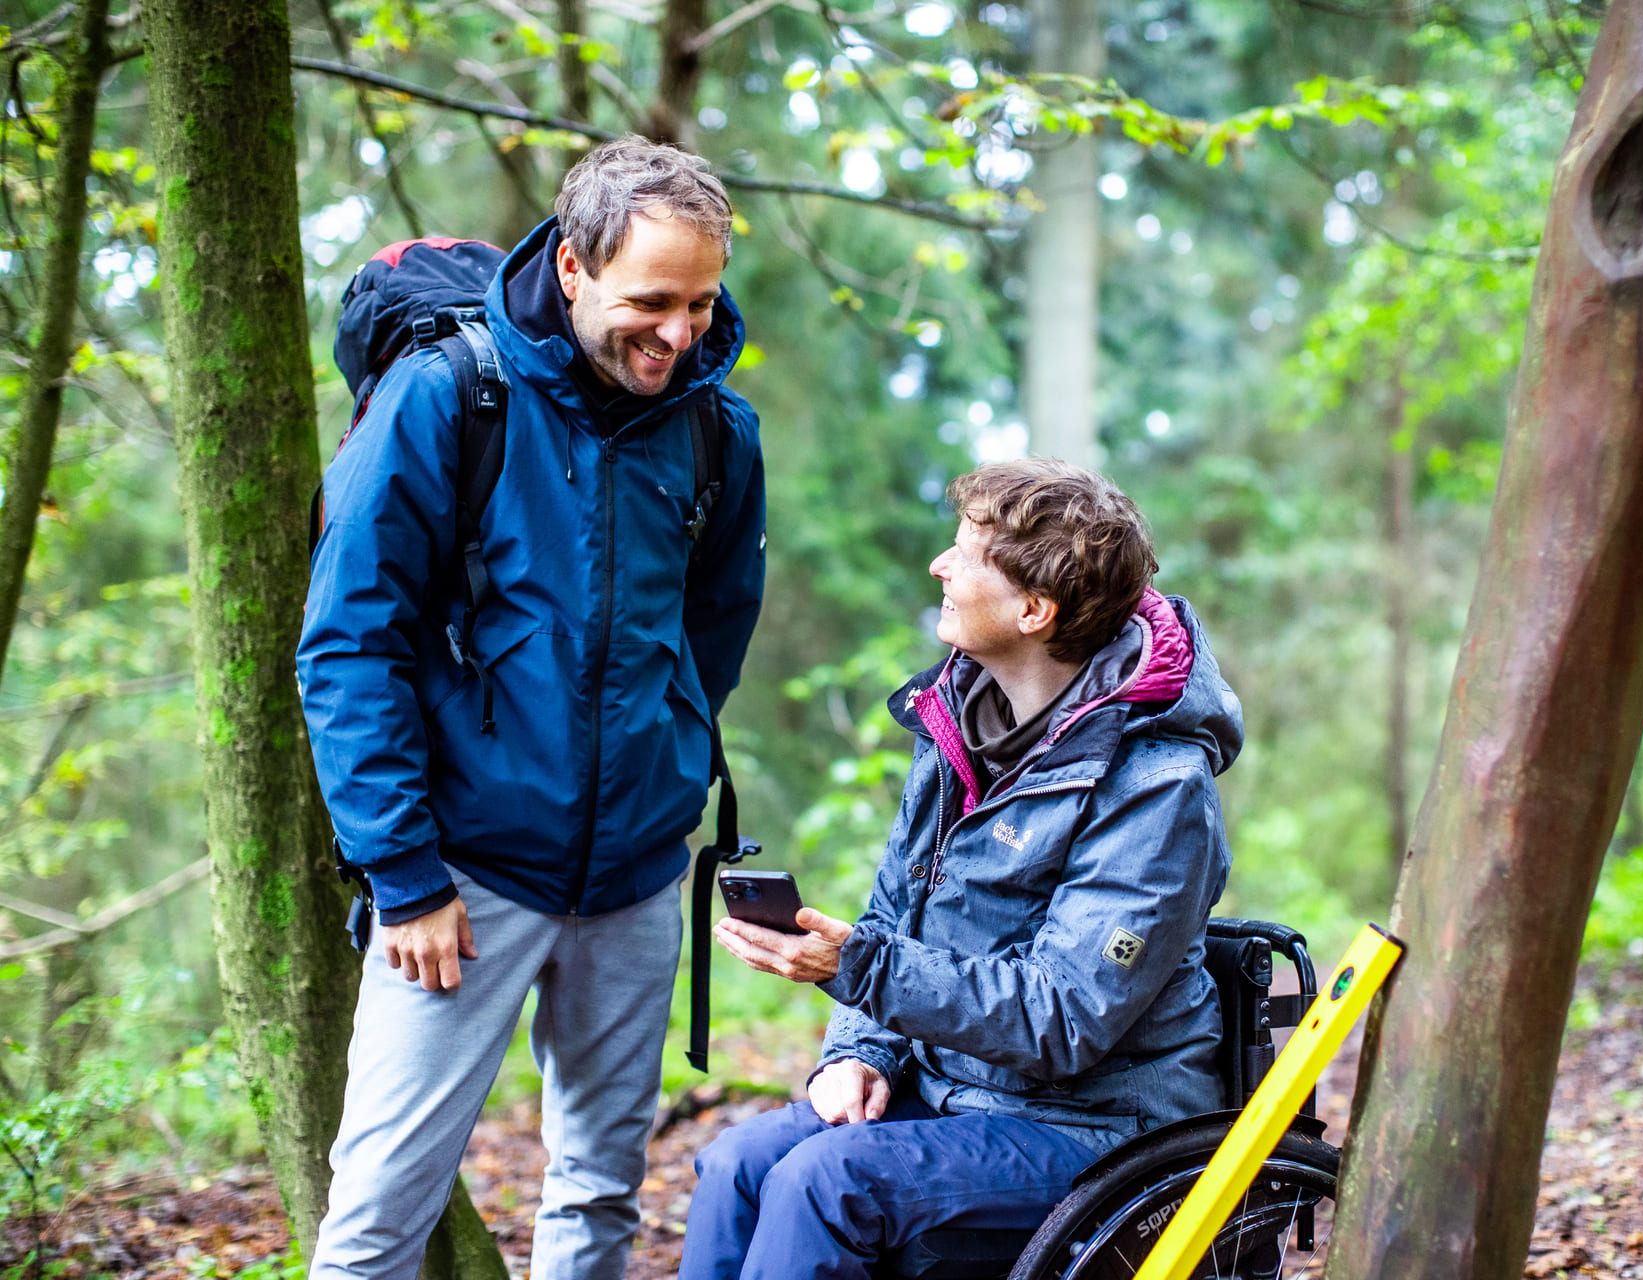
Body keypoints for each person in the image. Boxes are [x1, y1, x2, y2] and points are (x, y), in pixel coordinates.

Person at [297, 137, 765, 1280]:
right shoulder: (450, 396)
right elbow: (350, 645)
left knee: (600, 1196)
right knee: (376, 1217)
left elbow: (711, 634)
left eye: (702, 301)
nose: (680, 332)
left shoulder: (716, 430)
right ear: (572, 267)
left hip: (638, 879)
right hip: (458, 881)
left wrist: (667, 777)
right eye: (652, 300)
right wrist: (403, 871)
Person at [681, 459, 1241, 1280]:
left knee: (824, 1183)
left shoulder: (1158, 787)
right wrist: (859, 1051)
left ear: (1033, 609)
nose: (940, 566)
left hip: (1097, 1128)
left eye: (966, 553)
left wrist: (857, 970)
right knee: (739, 1164)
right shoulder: (959, 723)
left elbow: (1064, 1017)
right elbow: (892, 912)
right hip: (950, 1090)